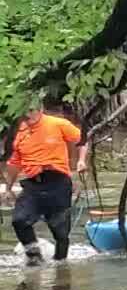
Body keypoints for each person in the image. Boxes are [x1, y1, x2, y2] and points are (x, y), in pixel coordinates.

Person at [4, 98, 90, 265]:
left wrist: (81, 161)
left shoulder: (58, 124)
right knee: (19, 220)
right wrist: (8, 188)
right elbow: (14, 164)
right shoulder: (19, 133)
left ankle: (62, 268)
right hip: (33, 185)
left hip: (58, 182)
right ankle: (34, 256)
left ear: (41, 109)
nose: (29, 114)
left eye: (32, 110)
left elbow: (82, 140)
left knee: (60, 232)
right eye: (26, 111)